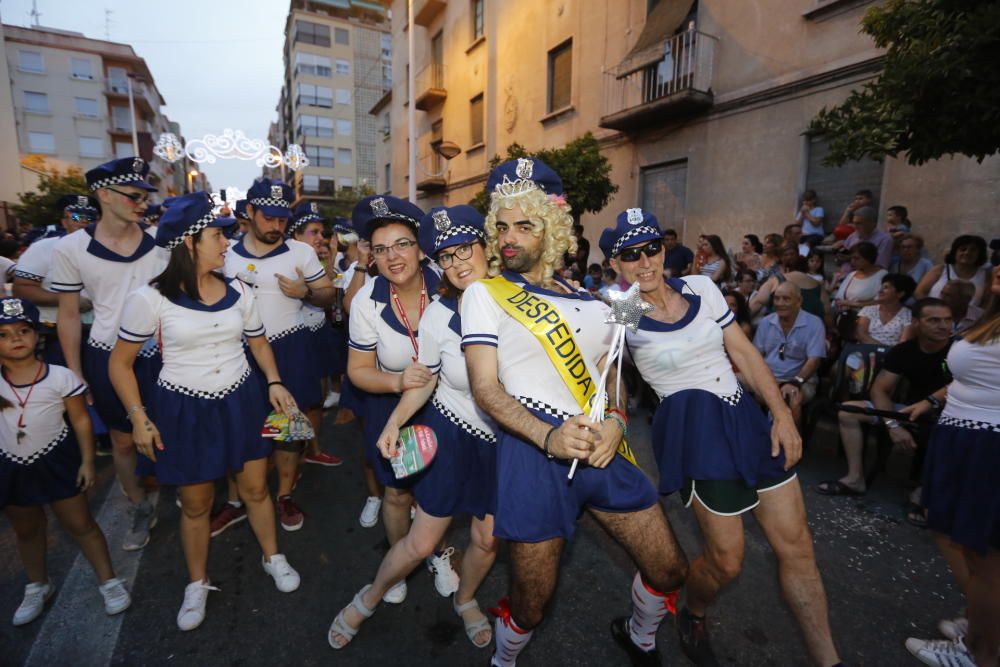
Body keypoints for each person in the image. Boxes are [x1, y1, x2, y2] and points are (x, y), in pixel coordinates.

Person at [462, 162, 688, 667]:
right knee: (532, 604)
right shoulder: (486, 294)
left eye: (524, 226)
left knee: (670, 569)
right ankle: (504, 659)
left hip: (602, 450)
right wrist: (549, 438)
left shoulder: (590, 299)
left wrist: (616, 422)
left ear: (555, 229)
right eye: (501, 226)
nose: (508, 239)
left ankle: (640, 635)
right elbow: (485, 389)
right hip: (532, 452)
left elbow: (611, 379)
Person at [604, 210, 842, 667]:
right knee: (726, 561)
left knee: (797, 545)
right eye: (630, 255)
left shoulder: (701, 288)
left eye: (651, 248)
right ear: (617, 264)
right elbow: (606, 370)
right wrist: (612, 415)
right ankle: (692, 610)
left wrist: (781, 416)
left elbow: (746, 355)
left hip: (743, 419)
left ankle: (830, 661)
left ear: (664, 249)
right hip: (695, 433)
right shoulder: (624, 309)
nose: (644, 261)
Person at [108, 193, 301, 630]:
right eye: (217, 235)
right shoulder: (150, 299)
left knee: (255, 488)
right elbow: (119, 364)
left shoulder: (239, 291)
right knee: (196, 504)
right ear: (189, 243)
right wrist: (138, 415)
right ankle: (196, 582)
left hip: (240, 400)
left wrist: (273, 380)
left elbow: (258, 342)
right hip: (183, 408)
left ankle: (273, 556)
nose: (226, 243)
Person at [329, 205, 499, 651]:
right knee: (405, 507)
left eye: (403, 243)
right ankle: (377, 588)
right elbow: (382, 371)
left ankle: (465, 599)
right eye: (381, 249)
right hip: (428, 409)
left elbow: (595, 326)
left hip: (501, 437)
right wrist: (395, 408)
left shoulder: (504, 296)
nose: (457, 263)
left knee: (487, 537)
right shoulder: (421, 308)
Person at [49, 157, 168, 552]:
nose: (142, 203)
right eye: (134, 196)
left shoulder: (161, 242)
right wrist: (75, 375)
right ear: (104, 195)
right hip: (106, 353)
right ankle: (138, 505)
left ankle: (188, 490)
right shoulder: (71, 247)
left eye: (145, 196)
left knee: (174, 427)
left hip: (161, 354)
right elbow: (68, 314)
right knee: (121, 440)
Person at [1, 297, 132, 626]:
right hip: (11, 465)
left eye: (22, 331)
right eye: (3, 334)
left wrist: (88, 461)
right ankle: (37, 585)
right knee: (27, 529)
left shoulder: (59, 377)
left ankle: (108, 581)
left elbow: (81, 421)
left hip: (57, 459)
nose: (15, 339)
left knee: (81, 525)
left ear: (37, 335)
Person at [347, 194, 451, 606]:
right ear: (371, 256)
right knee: (397, 493)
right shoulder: (366, 300)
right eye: (381, 248)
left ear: (421, 247)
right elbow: (358, 371)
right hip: (389, 404)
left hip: (449, 403)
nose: (392, 257)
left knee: (442, 492)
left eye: (402, 244)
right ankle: (399, 560)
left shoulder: (449, 284)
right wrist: (396, 382)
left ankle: (435, 552)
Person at [222, 178, 335, 532]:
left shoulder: (299, 252)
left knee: (289, 429)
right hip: (237, 353)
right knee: (238, 428)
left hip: (290, 348)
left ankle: (284, 493)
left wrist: (307, 292)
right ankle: (235, 500)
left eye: (282, 219)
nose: (276, 226)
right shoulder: (224, 254)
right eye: (268, 218)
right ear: (250, 212)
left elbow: (327, 295)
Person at [904, 266, 1000, 667]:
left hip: (987, 445)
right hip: (965, 438)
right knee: (962, 542)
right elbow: (974, 374)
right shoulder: (991, 318)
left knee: (984, 557)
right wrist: (933, 400)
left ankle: (980, 654)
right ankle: (981, 627)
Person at [817, 298, 953, 497]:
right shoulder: (905, 350)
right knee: (848, 411)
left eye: (947, 320)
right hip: (908, 410)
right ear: (916, 322)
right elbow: (879, 389)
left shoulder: (958, 351)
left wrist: (929, 403)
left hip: (948, 414)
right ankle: (855, 479)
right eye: (933, 320)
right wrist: (893, 425)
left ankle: (925, 492)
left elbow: (961, 385)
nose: (943, 326)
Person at [286, 202, 343, 468]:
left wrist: (329, 257)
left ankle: (313, 449)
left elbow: (329, 291)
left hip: (318, 333)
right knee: (298, 402)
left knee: (317, 400)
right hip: (298, 339)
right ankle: (292, 459)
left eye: (322, 231)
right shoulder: (287, 260)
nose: (321, 237)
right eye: (313, 232)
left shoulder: (316, 259)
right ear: (296, 236)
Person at [13, 195, 98, 366]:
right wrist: (67, 300)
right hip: (54, 334)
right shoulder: (44, 248)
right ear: (64, 221)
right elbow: (21, 289)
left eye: (89, 218)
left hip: (100, 334)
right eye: (76, 217)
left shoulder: (111, 250)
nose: (83, 222)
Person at [754, 282, 827, 427]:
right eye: (777, 299)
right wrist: (761, 379)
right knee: (733, 384)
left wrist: (795, 381)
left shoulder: (814, 323)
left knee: (790, 398)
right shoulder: (766, 322)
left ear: (799, 301)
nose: (780, 303)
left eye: (786, 299)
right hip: (768, 376)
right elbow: (756, 355)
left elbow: (815, 360)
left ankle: (790, 446)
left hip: (800, 379)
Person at [916, 235, 991, 306]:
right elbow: (919, 292)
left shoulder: (986, 275)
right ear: (955, 252)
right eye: (963, 249)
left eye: (973, 250)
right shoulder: (940, 269)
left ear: (979, 254)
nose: (967, 253)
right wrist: (931, 309)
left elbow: (986, 302)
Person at [855, 274, 916, 346]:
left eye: (886, 287)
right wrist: (882, 349)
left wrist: (886, 353)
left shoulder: (908, 316)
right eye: (881, 287)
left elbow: (903, 343)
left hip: (893, 355)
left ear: (900, 294)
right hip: (865, 351)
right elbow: (861, 335)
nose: (880, 291)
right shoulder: (868, 310)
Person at [833, 242, 888, 312]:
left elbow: (882, 301)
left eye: (857, 258)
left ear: (868, 258)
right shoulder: (852, 274)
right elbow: (839, 297)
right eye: (852, 258)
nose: (852, 261)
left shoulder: (883, 275)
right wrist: (841, 304)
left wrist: (852, 304)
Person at [835, 205, 893, 271]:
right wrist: (838, 255)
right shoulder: (853, 236)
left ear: (872, 223)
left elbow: (880, 266)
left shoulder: (885, 239)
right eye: (854, 223)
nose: (855, 227)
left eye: (859, 223)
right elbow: (839, 261)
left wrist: (850, 258)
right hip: (844, 277)